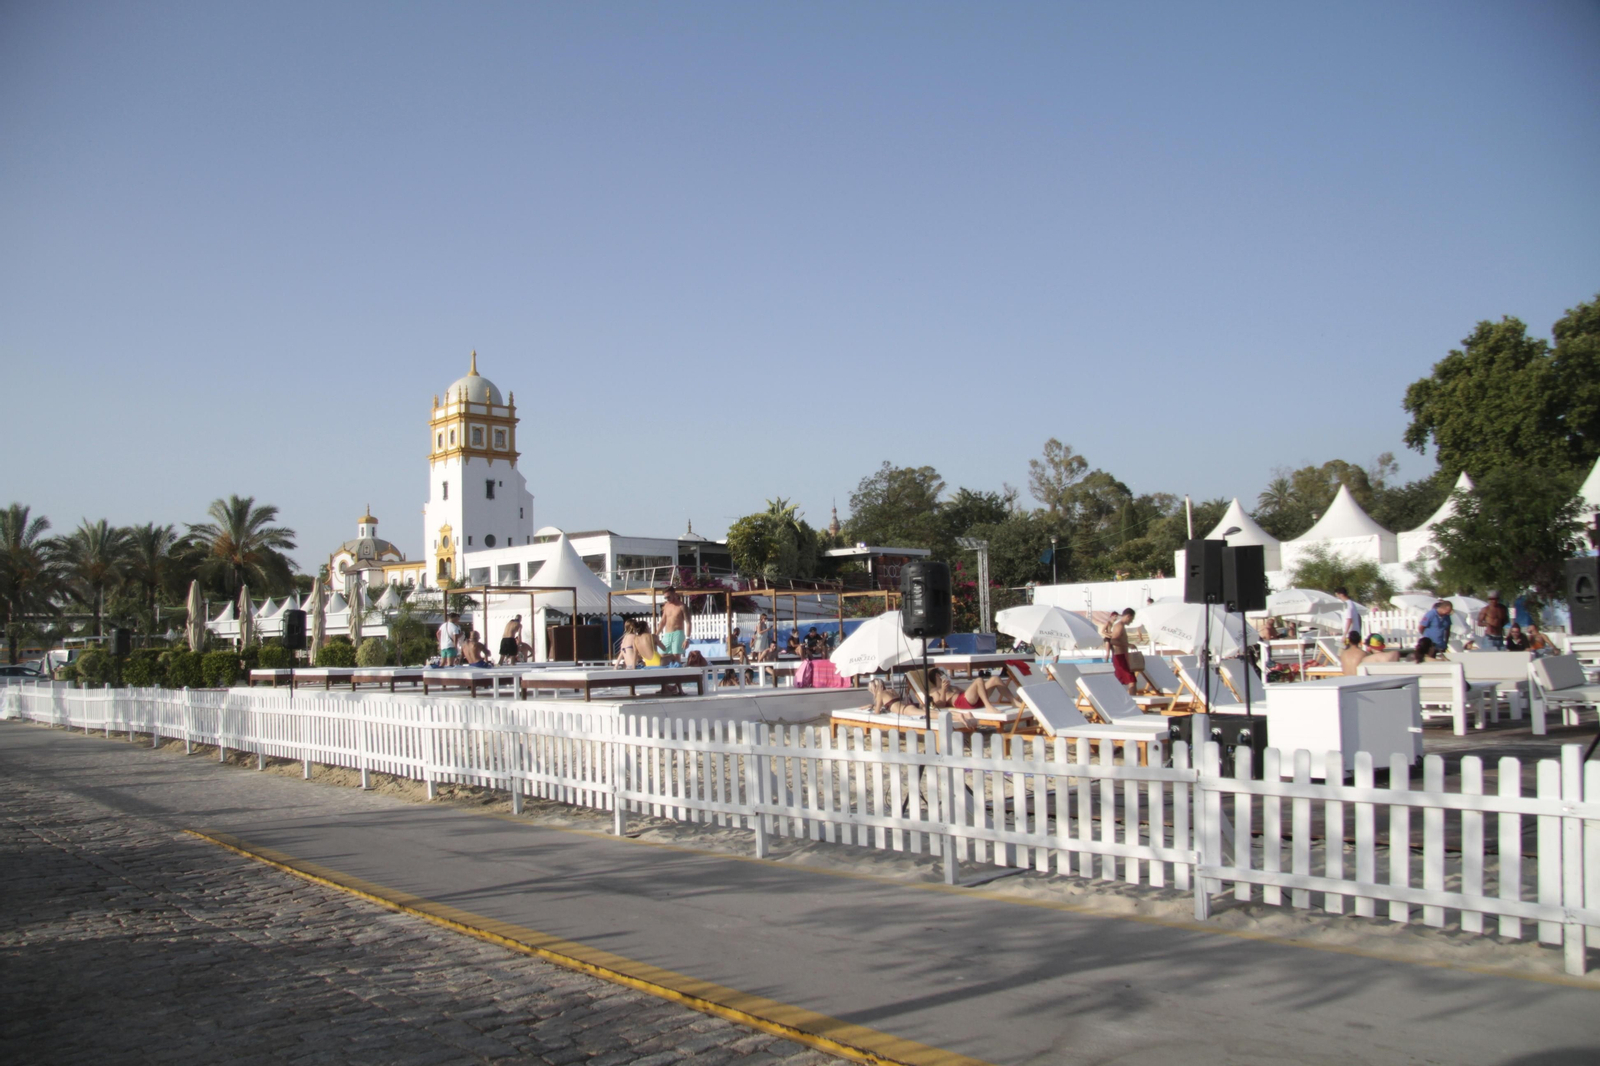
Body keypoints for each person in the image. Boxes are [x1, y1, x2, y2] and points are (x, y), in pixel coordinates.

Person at [1100, 608, 1137, 694]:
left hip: (1122, 656)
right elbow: (1113, 641)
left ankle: (1124, 700)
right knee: (1132, 681)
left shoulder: (1121, 626)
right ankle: (1133, 702)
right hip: (1119, 656)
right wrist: (1128, 645)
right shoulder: (1119, 626)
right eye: (1131, 619)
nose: (1131, 622)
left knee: (1124, 680)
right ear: (1128, 616)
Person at [656, 588, 689, 666]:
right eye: (665, 598)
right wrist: (656, 634)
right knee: (662, 654)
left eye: (669, 597)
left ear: (674, 594)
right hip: (667, 634)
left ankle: (678, 674)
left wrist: (687, 639)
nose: (667, 599)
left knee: (676, 656)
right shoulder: (666, 606)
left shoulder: (682, 606)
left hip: (678, 633)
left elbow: (688, 623)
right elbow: (663, 622)